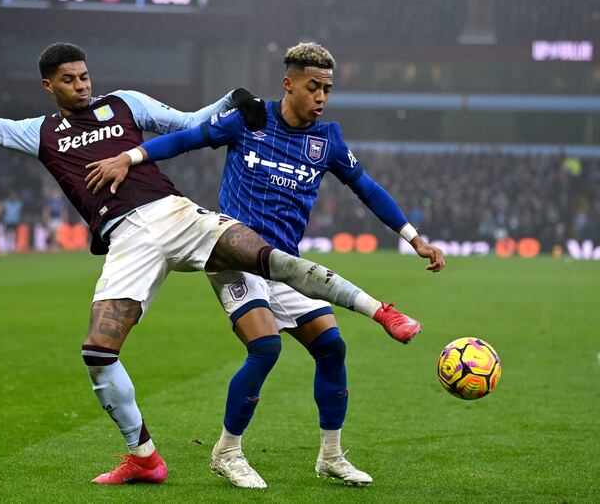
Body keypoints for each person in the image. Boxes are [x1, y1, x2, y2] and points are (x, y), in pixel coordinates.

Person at [0, 42, 422, 486]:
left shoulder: (126, 104)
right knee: (97, 352)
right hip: (126, 239)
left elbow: (188, 122)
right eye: (70, 80)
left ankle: (380, 315)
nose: (82, 86)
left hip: (175, 212)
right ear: (49, 86)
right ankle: (145, 457)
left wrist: (232, 99)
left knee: (273, 261)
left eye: (85, 76)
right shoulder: (39, 133)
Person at [86, 42, 445, 489]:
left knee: (332, 348)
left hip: (284, 264)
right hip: (231, 257)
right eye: (313, 87)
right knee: (266, 347)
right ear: (287, 83)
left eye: (327, 89)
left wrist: (414, 239)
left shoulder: (327, 140)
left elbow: (367, 189)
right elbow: (186, 140)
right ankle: (227, 452)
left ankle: (331, 456)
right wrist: (130, 156)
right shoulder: (250, 121)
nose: (320, 97)